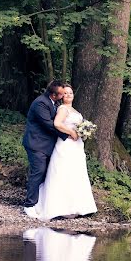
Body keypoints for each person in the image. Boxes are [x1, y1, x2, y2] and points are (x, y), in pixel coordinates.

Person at [27, 83, 97, 221]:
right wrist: (71, 132)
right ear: (60, 96)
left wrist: (83, 132)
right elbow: (57, 124)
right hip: (66, 144)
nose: (69, 95)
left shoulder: (75, 111)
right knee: (63, 172)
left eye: (71, 92)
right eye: (65, 93)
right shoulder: (62, 109)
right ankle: (58, 207)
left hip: (76, 145)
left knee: (76, 174)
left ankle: (77, 206)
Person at [23, 80, 77, 218]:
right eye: (62, 93)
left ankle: (40, 203)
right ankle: (29, 205)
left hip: (46, 145)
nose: (64, 95)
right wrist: (68, 134)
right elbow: (48, 124)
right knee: (38, 172)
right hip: (36, 144)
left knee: (46, 173)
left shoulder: (52, 103)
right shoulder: (41, 103)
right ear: (54, 95)